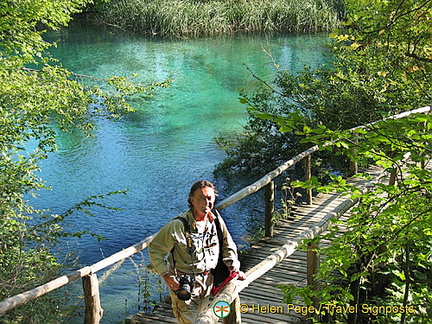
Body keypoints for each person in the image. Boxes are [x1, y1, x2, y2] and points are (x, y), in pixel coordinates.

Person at [148, 180, 246, 323]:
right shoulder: (178, 226)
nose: (206, 202)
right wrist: (165, 275)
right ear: (192, 200)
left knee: (204, 319)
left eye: (209, 198)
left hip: (207, 283)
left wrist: (234, 268)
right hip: (185, 285)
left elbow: (227, 244)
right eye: (201, 198)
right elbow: (155, 250)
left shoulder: (215, 220)